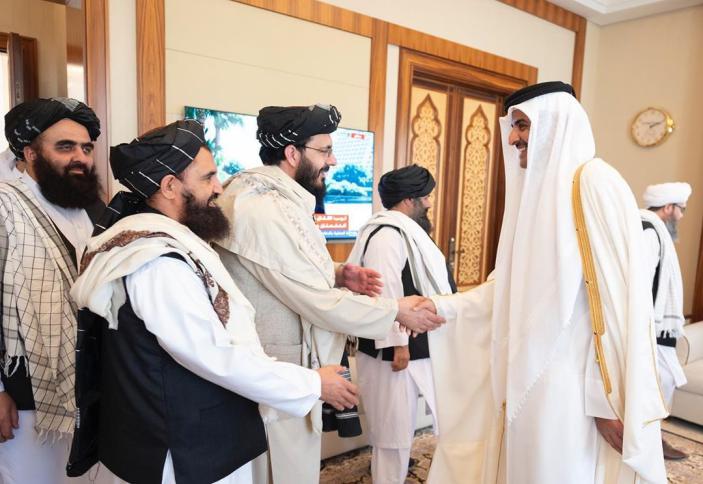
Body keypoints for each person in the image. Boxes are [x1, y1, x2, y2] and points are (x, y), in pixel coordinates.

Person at [67, 120, 361, 484]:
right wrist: (313, 384)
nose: (219, 188)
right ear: (170, 186)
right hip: (182, 453)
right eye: (208, 178)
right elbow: (217, 357)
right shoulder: (157, 262)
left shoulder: (166, 244)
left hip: (195, 443)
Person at [421, 82, 668, 484]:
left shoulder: (593, 183)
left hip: (572, 392)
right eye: (513, 126)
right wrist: (440, 306)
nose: (513, 138)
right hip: (523, 379)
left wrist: (604, 398)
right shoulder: (532, 196)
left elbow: (614, 301)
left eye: (523, 125)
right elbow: (507, 288)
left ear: (555, 124)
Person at [214, 103, 444, 484]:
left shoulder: (275, 200)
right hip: (274, 378)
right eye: (325, 150)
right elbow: (314, 300)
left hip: (287, 372)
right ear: (292, 153)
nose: (333, 161)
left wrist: (338, 274)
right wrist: (396, 312)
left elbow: (285, 272)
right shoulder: (261, 209)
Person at [0, 98, 107, 483]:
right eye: (65, 147)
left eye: (86, 148)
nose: (80, 157)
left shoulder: (92, 207)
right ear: (30, 153)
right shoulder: (5, 206)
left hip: (90, 383)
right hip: (25, 394)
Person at [347, 164, 454, 483]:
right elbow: (387, 293)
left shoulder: (402, 230)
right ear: (409, 200)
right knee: (391, 436)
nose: (429, 203)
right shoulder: (387, 235)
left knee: (441, 421)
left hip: (415, 346)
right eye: (426, 197)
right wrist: (399, 347)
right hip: (394, 352)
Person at [641, 182, 692, 460]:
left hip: (659, 327)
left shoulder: (654, 229)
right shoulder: (648, 231)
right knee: (661, 382)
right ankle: (649, 440)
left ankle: (652, 437)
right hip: (651, 326)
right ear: (669, 207)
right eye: (681, 209)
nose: (682, 216)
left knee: (664, 382)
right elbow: (641, 282)